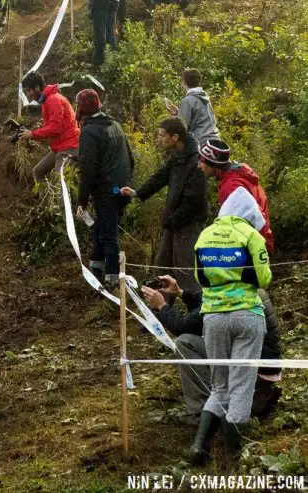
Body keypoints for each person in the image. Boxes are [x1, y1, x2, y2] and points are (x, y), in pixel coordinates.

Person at [189, 187, 272, 465]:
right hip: (247, 314)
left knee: (219, 386)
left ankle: (199, 447)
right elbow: (263, 279)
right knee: (241, 385)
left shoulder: (204, 235)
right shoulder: (251, 235)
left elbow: (200, 279)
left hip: (212, 316)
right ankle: (233, 456)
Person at [141, 277, 281, 426]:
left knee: (185, 343)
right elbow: (203, 305)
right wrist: (180, 292)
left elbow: (183, 326)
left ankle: (201, 412)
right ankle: (251, 397)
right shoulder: (244, 286)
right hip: (266, 368)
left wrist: (162, 305)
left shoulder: (225, 297)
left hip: (252, 371)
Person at [120, 117, 208, 293]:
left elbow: (193, 202)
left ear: (175, 137)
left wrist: (171, 219)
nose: (158, 139)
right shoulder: (177, 155)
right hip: (173, 221)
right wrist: (138, 192)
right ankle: (161, 308)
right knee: (163, 265)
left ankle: (195, 311)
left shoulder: (196, 162)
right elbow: (162, 176)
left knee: (185, 269)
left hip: (188, 223)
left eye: (162, 135)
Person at [75, 88, 134, 287]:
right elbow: (131, 158)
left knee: (109, 234)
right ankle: (97, 266)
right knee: (102, 226)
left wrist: (81, 201)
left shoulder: (89, 132)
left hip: (107, 190)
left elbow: (88, 171)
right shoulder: (115, 125)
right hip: (122, 188)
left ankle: (113, 279)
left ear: (82, 110)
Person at [198, 139, 274, 253]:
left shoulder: (231, 186)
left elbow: (237, 228)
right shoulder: (239, 175)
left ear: (213, 164)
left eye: (201, 161)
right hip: (260, 242)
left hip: (252, 247)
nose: (198, 165)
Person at [18, 71, 80, 194]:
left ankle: (63, 210)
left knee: (61, 182)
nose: (28, 95)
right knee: (38, 171)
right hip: (60, 146)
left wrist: (33, 134)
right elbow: (53, 128)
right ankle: (47, 205)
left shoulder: (53, 100)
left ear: (37, 87)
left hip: (70, 146)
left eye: (29, 91)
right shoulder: (46, 101)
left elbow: (54, 128)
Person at [164, 68, 220, 145]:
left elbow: (181, 128)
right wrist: (177, 113)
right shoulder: (205, 96)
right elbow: (199, 120)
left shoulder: (187, 100)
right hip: (215, 141)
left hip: (200, 143)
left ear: (184, 82)